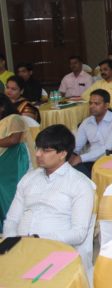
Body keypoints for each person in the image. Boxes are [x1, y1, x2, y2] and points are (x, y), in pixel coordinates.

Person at [3, 124, 94, 271]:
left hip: (55, 251)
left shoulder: (80, 184)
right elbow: (12, 219)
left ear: (62, 154)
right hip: (19, 248)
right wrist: (12, 243)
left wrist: (37, 239)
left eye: (45, 150)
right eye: (38, 148)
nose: (38, 154)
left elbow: (78, 233)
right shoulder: (29, 178)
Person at [70, 89, 112, 178]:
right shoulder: (86, 122)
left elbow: (109, 148)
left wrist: (81, 158)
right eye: (90, 103)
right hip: (91, 160)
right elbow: (77, 145)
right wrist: (70, 156)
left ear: (106, 105)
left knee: (82, 176)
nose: (92, 106)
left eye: (96, 104)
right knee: (70, 170)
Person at [0, 94, 33, 231]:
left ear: (2, 107)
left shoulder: (14, 118)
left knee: (9, 193)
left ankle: (15, 227)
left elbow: (14, 140)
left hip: (12, 160)